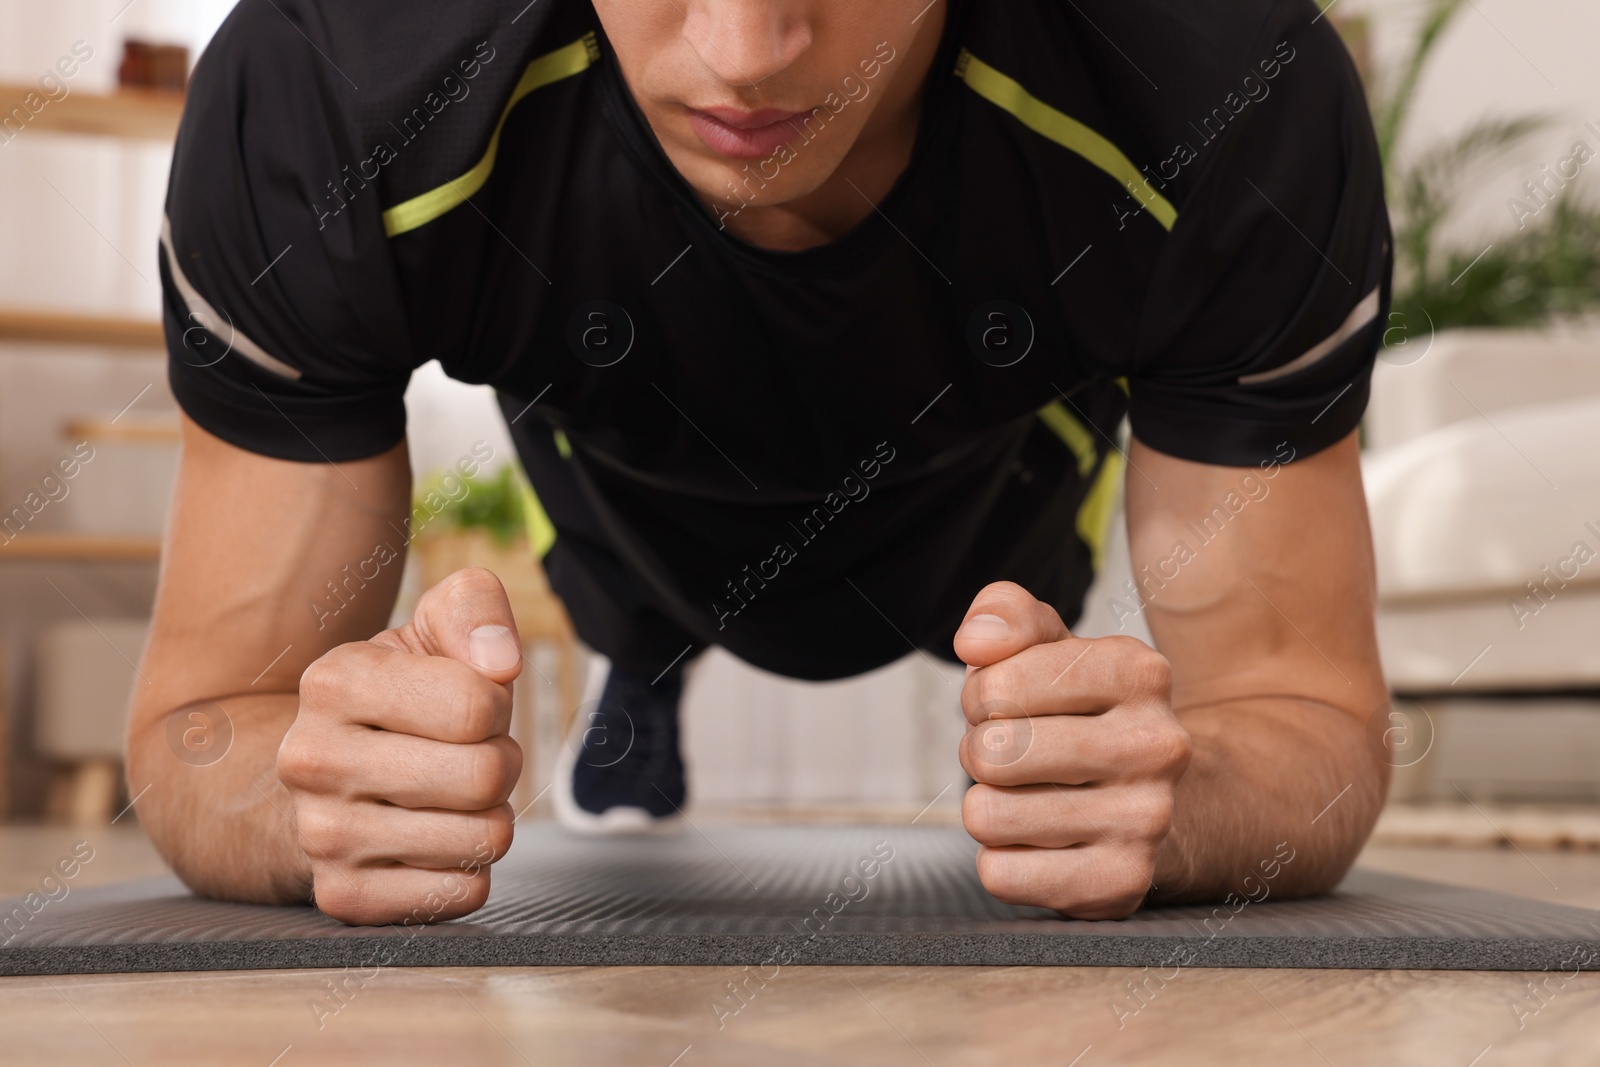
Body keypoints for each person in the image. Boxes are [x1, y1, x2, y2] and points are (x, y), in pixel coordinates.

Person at [129, 0, 1393, 926]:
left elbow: (1307, 715)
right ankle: (643, 665)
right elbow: (198, 726)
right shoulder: (325, 83)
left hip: (986, 497)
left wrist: (1181, 797)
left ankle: (1001, 692)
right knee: (629, 574)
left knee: (1008, 615)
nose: (745, 53)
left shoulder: (1228, 88)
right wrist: (316, 789)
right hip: (620, 464)